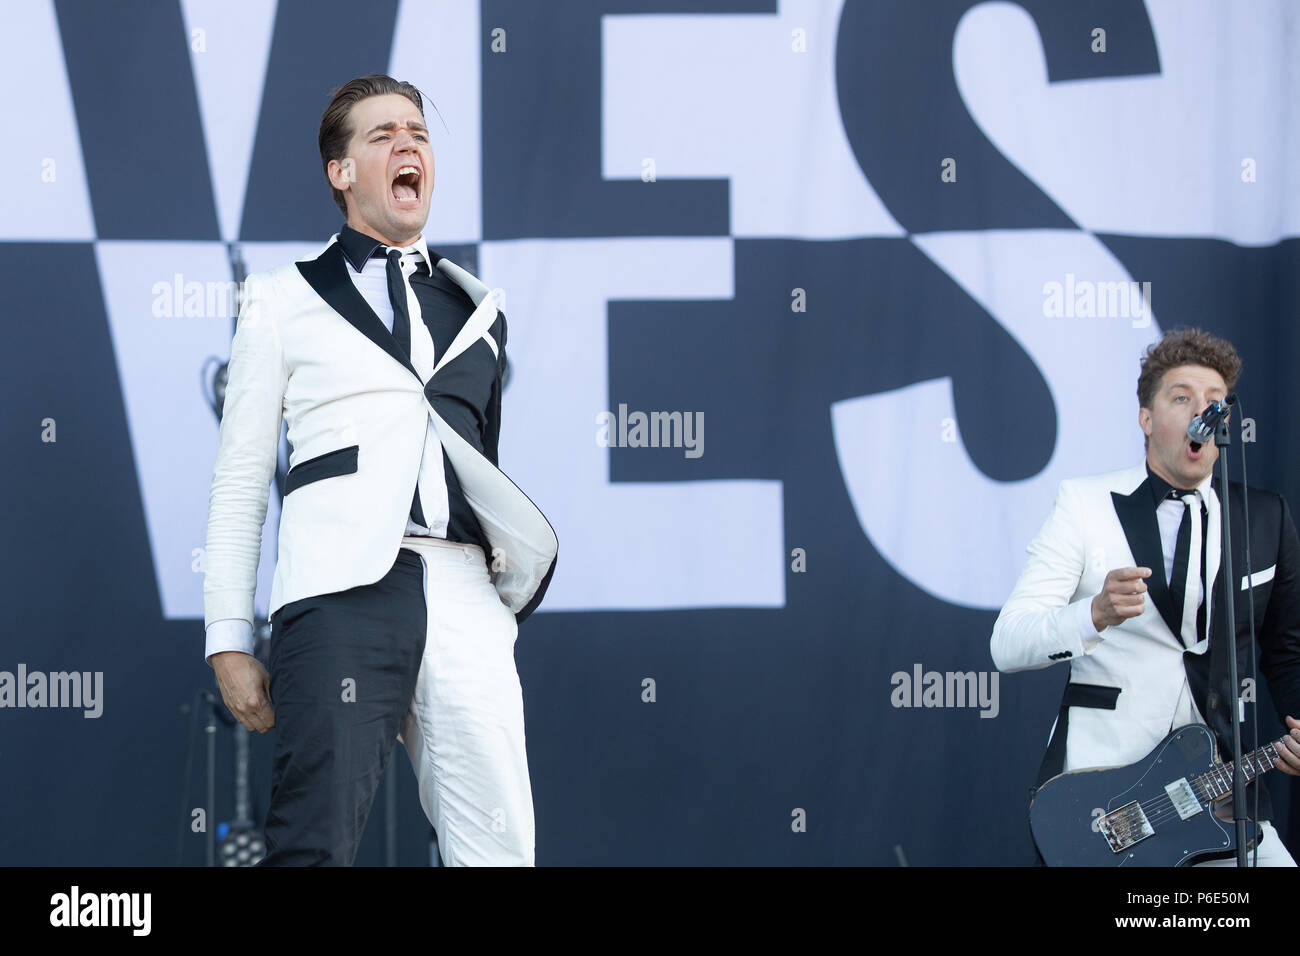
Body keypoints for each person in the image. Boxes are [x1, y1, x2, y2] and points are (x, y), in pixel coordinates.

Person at [202, 74, 557, 865]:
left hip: (465, 591)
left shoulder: (478, 313)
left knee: (498, 850)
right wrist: (229, 635)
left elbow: (478, 464)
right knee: (314, 844)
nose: (408, 145)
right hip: (340, 593)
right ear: (342, 172)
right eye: (383, 135)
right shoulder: (279, 298)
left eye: (419, 135)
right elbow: (239, 480)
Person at [991, 327, 1300, 865]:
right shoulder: (1085, 503)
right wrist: (1094, 614)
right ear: (1147, 418)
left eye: (1215, 401)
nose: (1202, 411)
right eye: (1182, 398)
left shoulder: (1264, 516)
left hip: (1216, 791)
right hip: (1106, 796)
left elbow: (1287, 651)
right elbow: (1008, 644)